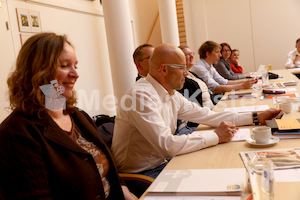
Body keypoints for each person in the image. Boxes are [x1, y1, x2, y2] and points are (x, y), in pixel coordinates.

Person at [111, 43, 280, 180]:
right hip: (141, 175)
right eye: (181, 67)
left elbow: (208, 115)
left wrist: (256, 117)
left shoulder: (170, 93)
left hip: (164, 163)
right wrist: (216, 136)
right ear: (164, 70)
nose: (187, 73)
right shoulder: (139, 96)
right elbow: (167, 145)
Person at [0, 33, 134, 200]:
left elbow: (107, 168)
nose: (75, 74)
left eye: (75, 66)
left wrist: (124, 191)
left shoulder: (78, 116)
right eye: (64, 66)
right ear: (38, 72)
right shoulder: (17, 133)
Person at [191, 41, 256, 94]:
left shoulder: (210, 66)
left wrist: (247, 81)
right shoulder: (199, 68)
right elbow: (216, 88)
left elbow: (225, 82)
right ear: (208, 54)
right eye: (217, 52)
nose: (220, 55)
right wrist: (242, 85)